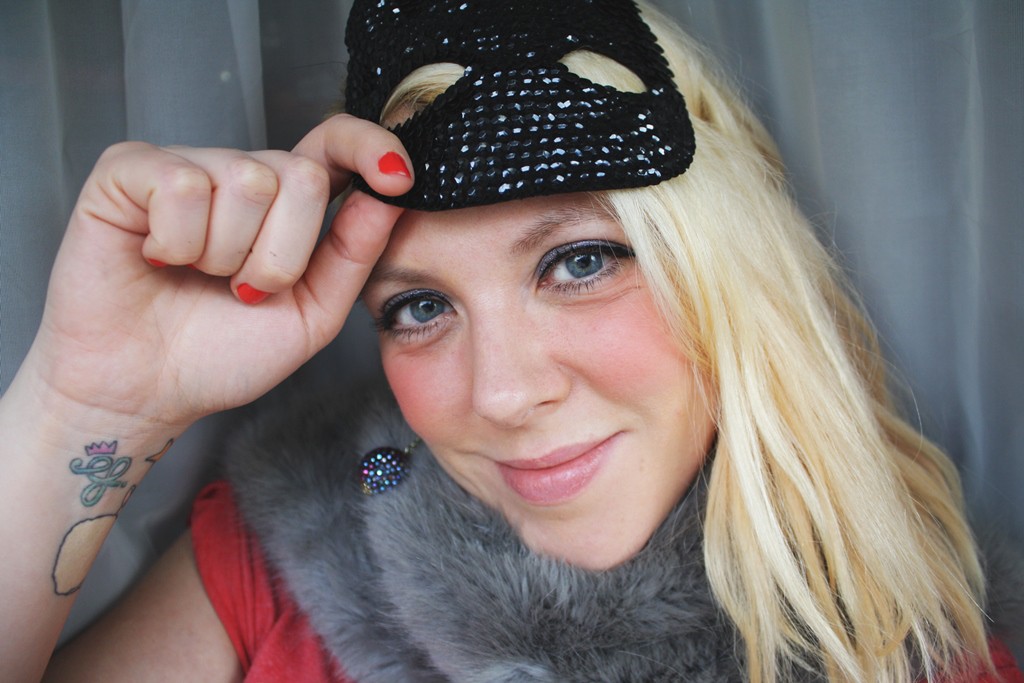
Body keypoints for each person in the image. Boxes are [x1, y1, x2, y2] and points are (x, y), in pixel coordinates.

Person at [1, 0, 1020, 681]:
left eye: (579, 261)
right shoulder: (288, 550)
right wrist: (84, 408)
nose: (500, 393)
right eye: (418, 307)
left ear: (732, 274)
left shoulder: (926, 650)